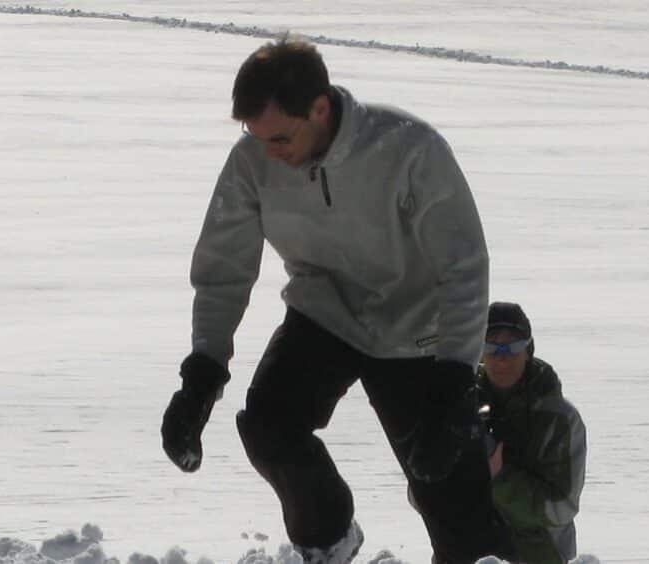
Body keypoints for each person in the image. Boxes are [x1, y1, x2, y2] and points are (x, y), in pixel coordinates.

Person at [159, 37, 504, 564]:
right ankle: (329, 540)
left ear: (319, 109)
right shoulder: (253, 161)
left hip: (418, 333)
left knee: (456, 504)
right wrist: (203, 370)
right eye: (256, 136)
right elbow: (223, 268)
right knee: (269, 426)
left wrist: (454, 380)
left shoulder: (409, 150)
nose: (268, 151)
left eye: (278, 137)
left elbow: (464, 268)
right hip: (326, 313)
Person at [477, 302, 586, 564]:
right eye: (492, 346)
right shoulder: (461, 407)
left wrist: (500, 477)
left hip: (540, 554)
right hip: (467, 548)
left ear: (528, 350)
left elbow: (562, 508)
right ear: (479, 352)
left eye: (513, 347)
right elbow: (421, 496)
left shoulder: (560, 420)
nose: (502, 357)